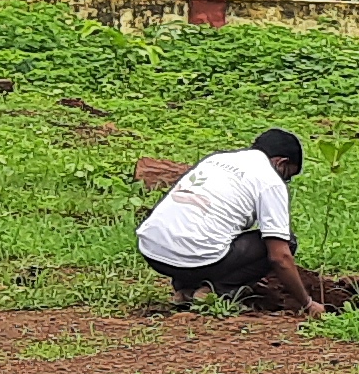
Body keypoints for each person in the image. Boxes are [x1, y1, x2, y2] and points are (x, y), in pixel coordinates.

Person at [137, 132, 327, 312]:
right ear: (281, 163)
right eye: (287, 176)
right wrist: (307, 303)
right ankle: (216, 290)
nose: (285, 182)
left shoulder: (216, 160)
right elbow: (280, 257)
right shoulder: (270, 180)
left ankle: (186, 290)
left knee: (210, 234)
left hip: (152, 251)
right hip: (196, 258)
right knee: (286, 242)